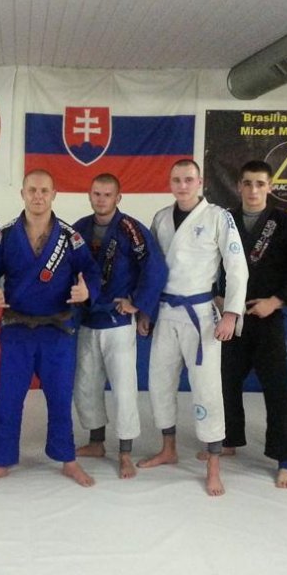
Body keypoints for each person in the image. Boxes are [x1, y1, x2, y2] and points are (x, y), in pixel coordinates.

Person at [0, 169, 102, 487]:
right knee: (9, 398)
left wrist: (87, 292)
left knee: (60, 397)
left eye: (44, 190)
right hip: (17, 328)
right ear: (23, 194)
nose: (38, 196)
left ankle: (67, 459)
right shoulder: (5, 234)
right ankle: (1, 460)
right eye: (32, 190)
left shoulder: (70, 237)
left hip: (57, 330)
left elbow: (91, 271)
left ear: (54, 194)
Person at [137, 159, 248, 497]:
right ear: (170, 183)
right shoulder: (160, 218)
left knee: (207, 388)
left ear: (200, 182)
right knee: (159, 382)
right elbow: (151, 269)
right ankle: (168, 448)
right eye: (177, 180)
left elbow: (237, 267)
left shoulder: (218, 217)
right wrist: (146, 310)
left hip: (200, 314)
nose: (182, 185)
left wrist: (231, 313)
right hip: (166, 311)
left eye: (188, 179)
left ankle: (213, 465)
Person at [215, 161, 287, 489]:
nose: (253, 190)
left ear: (270, 187)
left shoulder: (285, 222)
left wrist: (277, 301)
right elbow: (210, 262)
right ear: (238, 186)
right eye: (247, 183)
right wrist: (217, 296)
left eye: (260, 184)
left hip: (268, 316)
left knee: (276, 388)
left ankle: (283, 458)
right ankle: (229, 438)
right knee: (227, 381)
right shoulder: (224, 220)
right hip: (233, 315)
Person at [72, 173, 167, 479]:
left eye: (107, 194)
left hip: (117, 320)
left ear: (118, 197)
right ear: (89, 195)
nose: (101, 199)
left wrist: (138, 304)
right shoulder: (79, 229)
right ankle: (96, 442)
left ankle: (125, 452)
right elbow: (66, 269)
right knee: (86, 384)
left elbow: (155, 267)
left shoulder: (130, 229)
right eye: (96, 193)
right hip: (88, 319)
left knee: (124, 388)